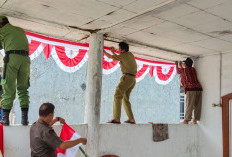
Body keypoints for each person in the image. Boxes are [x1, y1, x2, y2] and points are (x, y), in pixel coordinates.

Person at [0, 16, 30, 126]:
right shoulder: (20, 30)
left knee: (8, 87)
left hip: (12, 58)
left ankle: (5, 119)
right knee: (23, 89)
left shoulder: (2, 30)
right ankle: (24, 119)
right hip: (25, 60)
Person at [103, 42, 137, 124]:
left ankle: (116, 118)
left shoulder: (124, 55)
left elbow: (112, 57)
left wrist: (102, 50)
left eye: (119, 48)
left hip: (127, 78)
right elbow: (119, 58)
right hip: (133, 79)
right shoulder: (130, 55)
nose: (118, 50)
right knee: (125, 99)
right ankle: (131, 119)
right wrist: (113, 52)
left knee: (117, 95)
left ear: (123, 50)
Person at [175, 58, 203, 124]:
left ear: (185, 64)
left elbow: (178, 71)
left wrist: (176, 65)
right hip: (199, 88)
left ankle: (186, 120)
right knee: (197, 105)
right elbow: (183, 71)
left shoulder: (184, 70)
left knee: (189, 105)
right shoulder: (193, 69)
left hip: (191, 89)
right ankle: (195, 120)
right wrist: (181, 66)